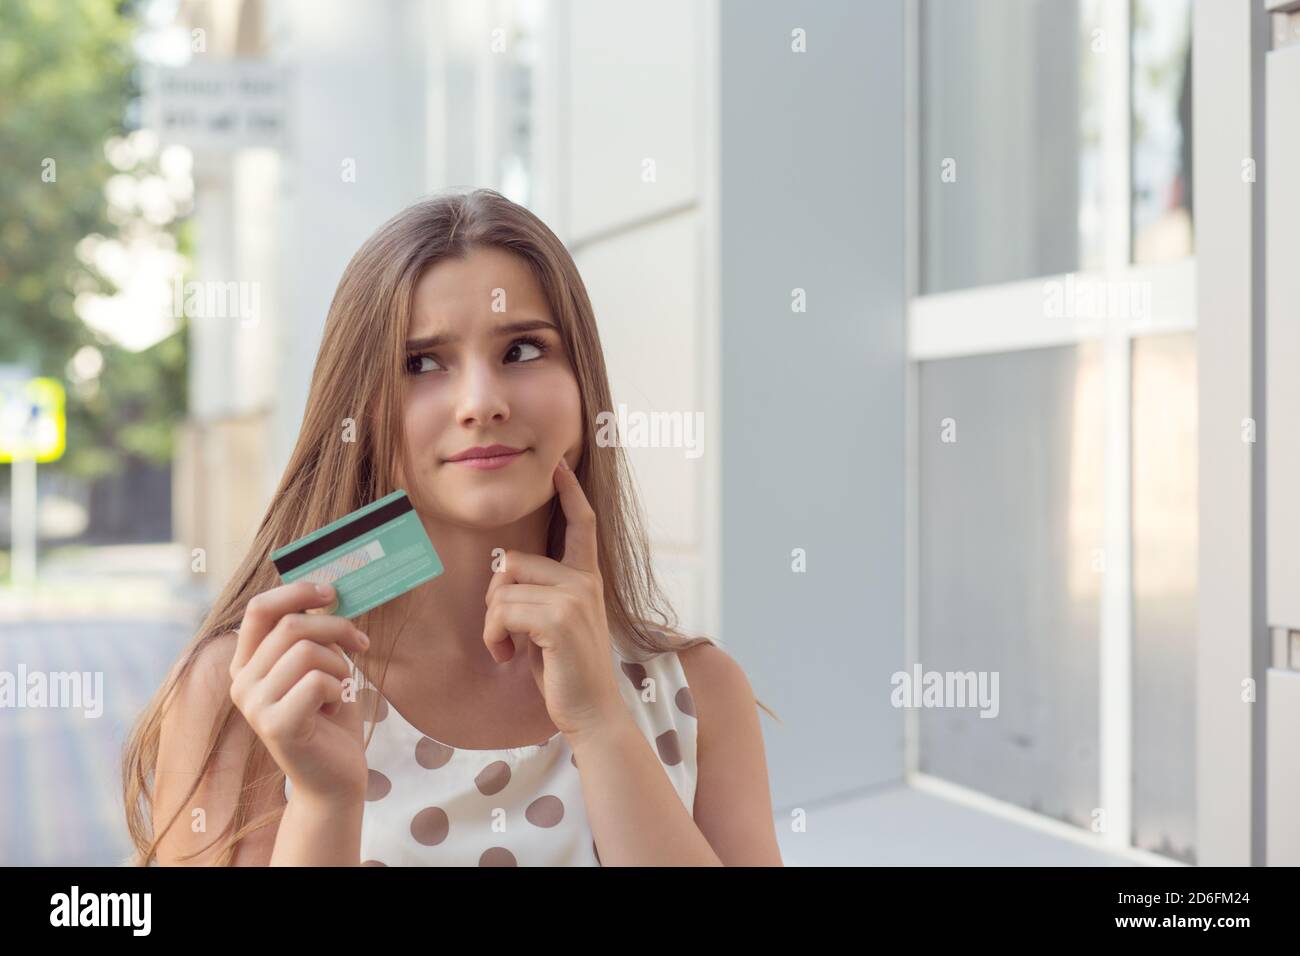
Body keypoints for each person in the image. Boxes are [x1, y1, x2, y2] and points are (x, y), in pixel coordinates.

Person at [122, 188, 783, 866]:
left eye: (523, 350)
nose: (482, 403)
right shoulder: (252, 689)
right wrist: (324, 802)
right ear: (359, 409)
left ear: (584, 383)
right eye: (421, 363)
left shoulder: (700, 694)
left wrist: (601, 724)